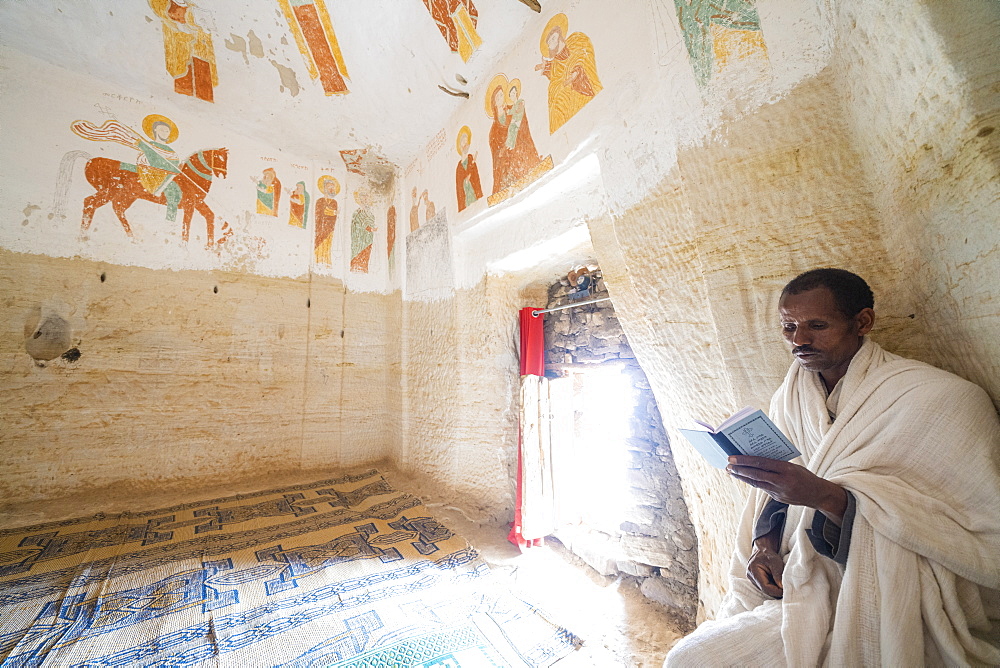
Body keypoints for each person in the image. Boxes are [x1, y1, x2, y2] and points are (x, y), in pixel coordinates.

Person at [665, 268, 1000, 666]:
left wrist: (825, 496)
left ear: (863, 322)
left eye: (817, 326)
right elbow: (778, 493)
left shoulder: (940, 399)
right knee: (689, 657)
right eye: (789, 327)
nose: (799, 341)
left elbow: (971, 534)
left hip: (893, 585)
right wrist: (765, 546)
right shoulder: (790, 397)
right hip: (802, 574)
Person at [535, 13, 602, 134]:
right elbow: (556, 76)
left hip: (582, 89)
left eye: (553, 38)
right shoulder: (555, 64)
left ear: (560, 36)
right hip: (565, 101)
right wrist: (545, 68)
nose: (551, 42)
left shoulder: (575, 40)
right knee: (554, 91)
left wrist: (576, 72)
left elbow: (583, 54)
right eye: (549, 41)